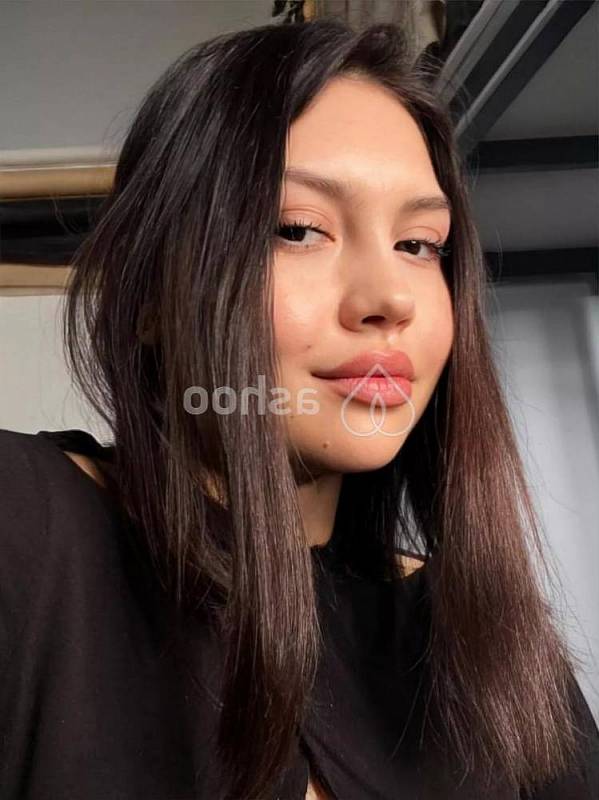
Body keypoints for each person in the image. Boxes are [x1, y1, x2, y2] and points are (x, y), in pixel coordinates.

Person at [0, 17, 597, 800]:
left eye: (419, 245)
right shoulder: (28, 527)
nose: (389, 298)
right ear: (149, 296)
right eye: (297, 230)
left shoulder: (490, 644)